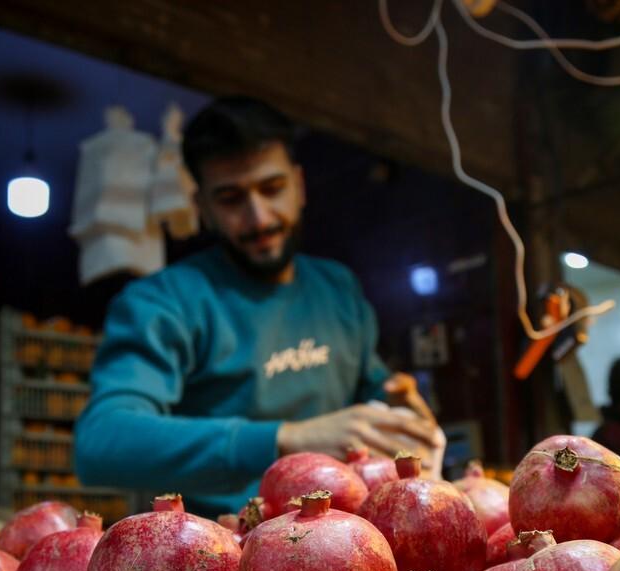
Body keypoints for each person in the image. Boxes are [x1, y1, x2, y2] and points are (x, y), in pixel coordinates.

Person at [75, 96, 441, 518]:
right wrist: (284, 439)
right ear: (204, 209)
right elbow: (101, 441)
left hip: (346, 542)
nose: (259, 217)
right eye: (231, 199)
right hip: (218, 555)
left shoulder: (336, 289)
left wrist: (400, 410)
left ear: (299, 185)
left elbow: (369, 389)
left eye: (272, 189)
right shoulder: (163, 302)